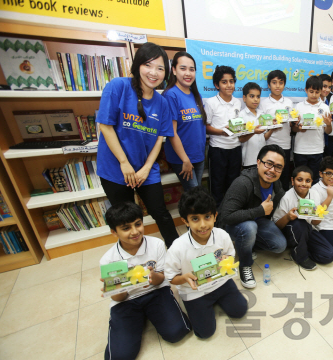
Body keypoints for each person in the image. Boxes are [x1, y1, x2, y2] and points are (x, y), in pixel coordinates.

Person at [96, 42, 178, 247]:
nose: (154, 72)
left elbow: (159, 138)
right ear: (138, 65)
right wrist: (124, 163)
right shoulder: (118, 86)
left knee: (161, 213)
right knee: (126, 219)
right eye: (148, 65)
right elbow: (105, 126)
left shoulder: (163, 102)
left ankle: (177, 251)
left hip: (145, 168)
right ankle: (136, 257)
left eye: (160, 68)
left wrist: (146, 168)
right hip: (116, 168)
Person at [100, 202, 191, 359]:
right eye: (126, 228)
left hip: (155, 292)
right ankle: (136, 319)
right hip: (127, 301)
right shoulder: (108, 260)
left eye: (138, 224)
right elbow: (118, 298)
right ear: (114, 232)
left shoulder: (156, 244)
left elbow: (161, 279)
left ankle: (150, 314)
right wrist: (117, 289)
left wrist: (153, 276)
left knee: (177, 332)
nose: (135, 232)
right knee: (120, 356)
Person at [164, 187, 248, 339]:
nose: (203, 225)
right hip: (195, 291)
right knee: (205, 333)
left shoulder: (222, 235)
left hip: (220, 282)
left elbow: (229, 255)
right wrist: (183, 278)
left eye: (207, 217)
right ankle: (203, 305)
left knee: (240, 310)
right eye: (195, 219)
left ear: (215, 216)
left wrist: (226, 261)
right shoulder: (177, 248)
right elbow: (171, 277)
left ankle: (219, 299)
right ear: (185, 221)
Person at [218, 145, 287, 288]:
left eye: (278, 167)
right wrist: (260, 211)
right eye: (269, 164)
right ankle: (245, 264)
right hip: (233, 225)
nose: (272, 170)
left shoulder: (276, 184)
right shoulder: (243, 183)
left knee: (280, 245)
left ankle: (247, 243)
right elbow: (226, 216)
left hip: (258, 221)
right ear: (258, 162)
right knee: (249, 227)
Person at [273, 166, 333, 270]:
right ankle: (300, 256)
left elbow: (315, 223)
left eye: (307, 181)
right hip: (290, 232)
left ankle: (301, 249)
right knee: (299, 223)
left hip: (308, 230)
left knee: (329, 255)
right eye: (299, 180)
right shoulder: (286, 197)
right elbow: (277, 225)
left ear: (311, 182)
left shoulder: (314, 194)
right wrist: (288, 217)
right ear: (292, 181)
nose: (303, 184)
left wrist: (318, 214)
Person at [163, 51, 207, 192]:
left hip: (198, 155)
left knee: (196, 193)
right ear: (174, 70)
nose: (188, 73)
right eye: (183, 68)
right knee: (194, 195)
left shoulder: (196, 94)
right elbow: (172, 132)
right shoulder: (171, 95)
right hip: (183, 158)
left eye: (191, 69)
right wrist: (185, 160)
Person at [205, 65, 242, 206]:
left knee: (233, 184)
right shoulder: (211, 103)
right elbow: (206, 127)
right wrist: (221, 132)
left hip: (236, 149)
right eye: (224, 82)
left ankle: (231, 213)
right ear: (217, 85)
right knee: (217, 185)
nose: (229, 85)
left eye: (231, 81)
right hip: (218, 150)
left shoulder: (238, 102)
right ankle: (218, 217)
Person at [292, 76, 333, 183]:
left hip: (317, 149)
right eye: (311, 91)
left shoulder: (324, 107)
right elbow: (293, 129)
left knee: (314, 180)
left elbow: (328, 131)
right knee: (299, 179)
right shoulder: (298, 107)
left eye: (317, 92)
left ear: (321, 91)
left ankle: (312, 199)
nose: (314, 95)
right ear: (305, 90)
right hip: (300, 149)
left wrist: (328, 125)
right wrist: (298, 128)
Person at [258, 70, 294, 190]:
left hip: (286, 145)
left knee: (283, 177)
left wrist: (296, 122)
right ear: (269, 85)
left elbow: (292, 124)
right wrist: (273, 125)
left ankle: (282, 201)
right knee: (269, 176)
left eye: (281, 82)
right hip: (270, 145)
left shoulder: (289, 102)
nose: (277, 86)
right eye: (274, 82)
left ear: (284, 84)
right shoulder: (264, 104)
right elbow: (262, 125)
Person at [239, 82, 274, 169]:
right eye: (252, 96)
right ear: (244, 98)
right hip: (248, 160)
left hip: (263, 159)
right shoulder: (241, 115)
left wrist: (273, 128)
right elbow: (241, 139)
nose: (256, 99)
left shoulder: (262, 114)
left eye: (258, 96)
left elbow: (264, 137)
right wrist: (253, 132)